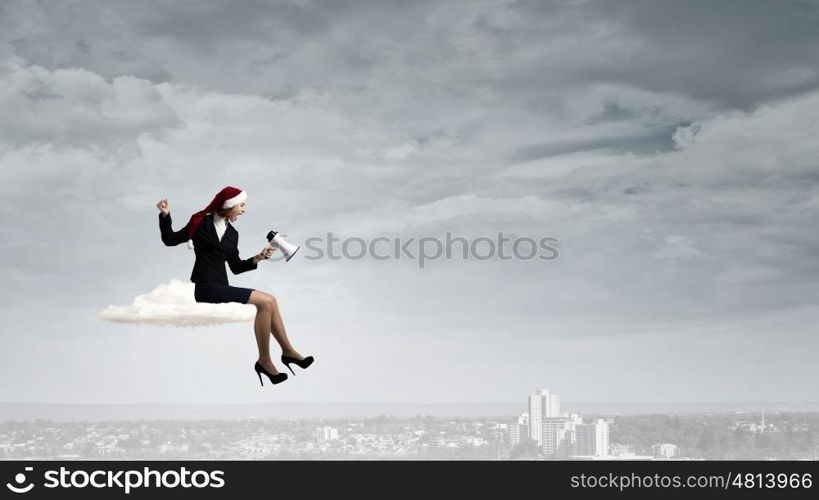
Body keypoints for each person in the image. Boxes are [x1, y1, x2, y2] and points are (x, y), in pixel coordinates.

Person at [156, 186, 314, 387]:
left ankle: (286, 353)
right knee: (267, 301)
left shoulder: (233, 234)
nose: (244, 209)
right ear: (229, 205)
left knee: (269, 302)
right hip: (205, 286)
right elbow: (170, 240)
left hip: (220, 285)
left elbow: (236, 267)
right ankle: (269, 359)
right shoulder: (200, 223)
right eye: (241, 205)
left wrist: (258, 258)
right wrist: (165, 215)